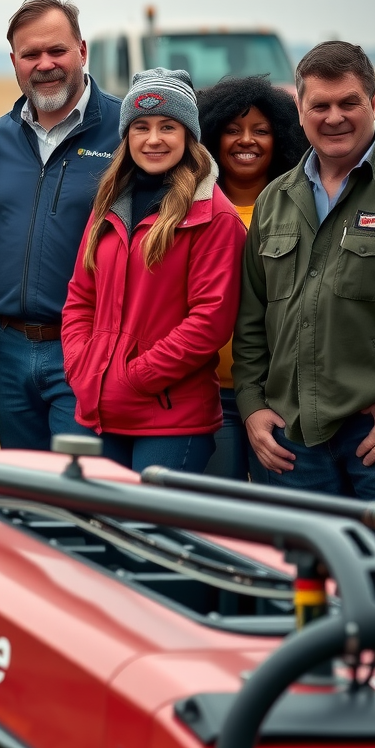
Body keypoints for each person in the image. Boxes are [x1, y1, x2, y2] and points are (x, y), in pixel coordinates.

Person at [233, 42, 375, 557]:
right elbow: (252, 321)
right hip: (292, 446)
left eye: (348, 102)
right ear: (300, 111)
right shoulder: (275, 200)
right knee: (305, 594)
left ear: (372, 99)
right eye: (319, 106)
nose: (334, 118)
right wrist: (253, 407)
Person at [61, 68, 246, 473]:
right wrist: (83, 366)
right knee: (104, 533)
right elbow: (80, 297)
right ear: (127, 135)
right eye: (141, 127)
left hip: (170, 418)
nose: (154, 139)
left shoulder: (212, 215)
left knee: (151, 535)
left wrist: (136, 378)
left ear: (189, 134)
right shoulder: (109, 204)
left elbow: (209, 322)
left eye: (168, 126)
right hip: (100, 410)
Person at [0, 0, 122, 449]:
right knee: (23, 493)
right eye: (30, 54)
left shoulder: (128, 131)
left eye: (57, 50)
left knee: (77, 494)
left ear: (82, 50)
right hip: (9, 350)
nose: (45, 64)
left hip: (88, 346)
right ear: (14, 62)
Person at [197, 76, 307, 479]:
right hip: (207, 394)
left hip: (278, 397)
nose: (247, 140)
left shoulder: (301, 210)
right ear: (210, 138)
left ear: (281, 138)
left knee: (273, 523)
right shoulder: (192, 209)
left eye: (261, 130)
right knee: (218, 521)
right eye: (232, 130)